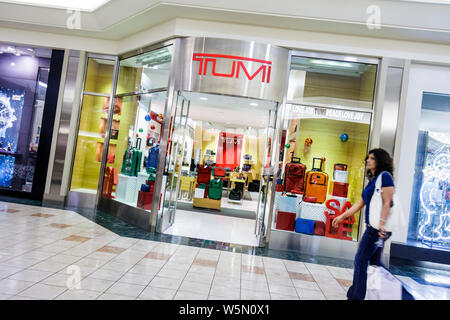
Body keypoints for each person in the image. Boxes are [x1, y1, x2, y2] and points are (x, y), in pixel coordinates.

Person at [332, 148, 395, 300]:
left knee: (360, 260)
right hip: (375, 227)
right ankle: (398, 294)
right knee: (374, 263)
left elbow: (388, 203)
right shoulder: (373, 181)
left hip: (376, 228)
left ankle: (356, 296)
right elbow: (359, 204)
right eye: (368, 158)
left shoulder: (385, 177)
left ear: (380, 161)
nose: (368, 160)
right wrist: (342, 216)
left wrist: (381, 225)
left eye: (372, 158)